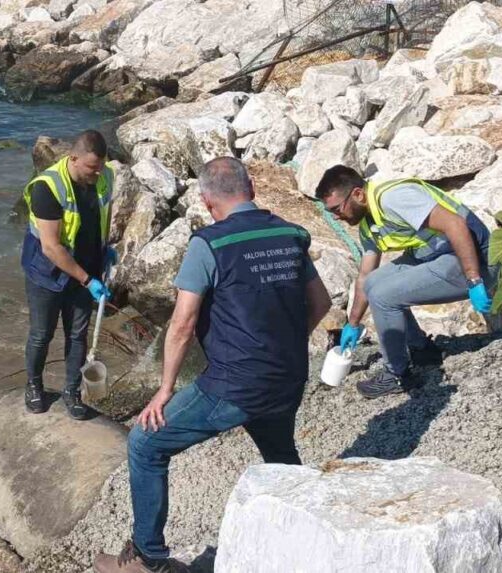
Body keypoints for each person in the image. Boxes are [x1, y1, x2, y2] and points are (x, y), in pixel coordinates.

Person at [93, 157, 332, 573]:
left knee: (146, 444)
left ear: (206, 201)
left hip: (234, 383)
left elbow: (182, 325)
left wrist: (164, 391)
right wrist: (283, 346)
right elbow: (322, 304)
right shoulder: (291, 234)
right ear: (252, 189)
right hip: (289, 374)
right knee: (279, 455)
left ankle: (148, 558)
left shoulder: (210, 244)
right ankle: (306, 534)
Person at [313, 165, 494, 400]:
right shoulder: (370, 223)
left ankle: (396, 374)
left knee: (384, 296)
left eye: (337, 208)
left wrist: (474, 279)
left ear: (357, 194)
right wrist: (354, 323)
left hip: (476, 258)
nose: (336, 216)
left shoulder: (393, 199)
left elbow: (456, 225)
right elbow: (366, 276)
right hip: (439, 254)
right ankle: (422, 350)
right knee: (374, 284)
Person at [21, 129, 117, 420]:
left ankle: (72, 391)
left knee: (77, 335)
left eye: (100, 166)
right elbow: (51, 247)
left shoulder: (105, 176)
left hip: (87, 267)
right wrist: (87, 281)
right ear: (73, 158)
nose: (97, 173)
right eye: (91, 167)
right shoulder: (47, 188)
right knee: (41, 334)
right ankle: (34, 386)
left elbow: (106, 212)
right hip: (48, 273)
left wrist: (107, 249)